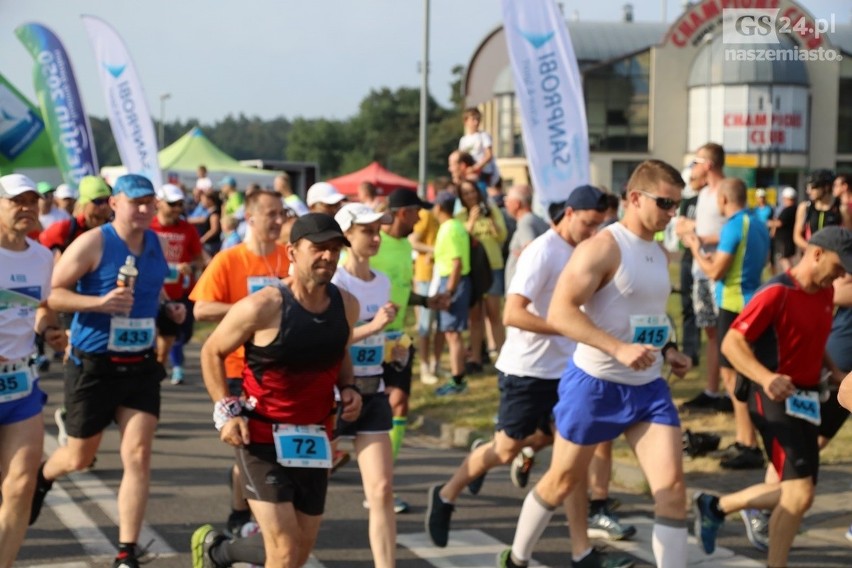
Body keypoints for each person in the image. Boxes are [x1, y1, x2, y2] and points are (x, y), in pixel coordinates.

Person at [498, 160, 693, 568]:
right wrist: (617, 349)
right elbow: (561, 311)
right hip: (595, 384)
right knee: (562, 482)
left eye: (678, 205)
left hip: (648, 389)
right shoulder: (603, 247)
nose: (671, 213)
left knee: (673, 489)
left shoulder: (658, 251)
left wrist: (669, 347)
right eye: (665, 203)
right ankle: (516, 559)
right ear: (635, 198)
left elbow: (647, 313)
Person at [427, 186, 637, 562]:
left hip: (572, 372)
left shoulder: (589, 251)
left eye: (598, 226)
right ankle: (446, 494)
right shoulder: (543, 251)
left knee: (570, 459)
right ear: (569, 213)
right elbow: (512, 314)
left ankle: (581, 551)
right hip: (527, 371)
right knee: (504, 449)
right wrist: (566, 326)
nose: (593, 233)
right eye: (588, 224)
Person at [30, 174, 186, 568]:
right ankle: (43, 477)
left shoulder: (154, 243)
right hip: (94, 363)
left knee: (138, 453)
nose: (146, 210)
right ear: (115, 204)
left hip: (140, 365)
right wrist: (99, 303)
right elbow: (52, 293)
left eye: (150, 202)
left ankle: (126, 551)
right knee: (79, 457)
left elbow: (155, 290)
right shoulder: (94, 242)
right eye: (137, 202)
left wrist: (170, 308)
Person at [191, 213, 361, 568]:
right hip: (262, 437)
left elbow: (341, 353)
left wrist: (349, 389)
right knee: (283, 550)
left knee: (297, 551)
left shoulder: (346, 305)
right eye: (319, 249)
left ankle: (217, 551)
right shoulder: (263, 305)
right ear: (292, 252)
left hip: (315, 437)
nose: (328, 257)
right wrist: (225, 411)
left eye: (335, 249)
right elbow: (212, 351)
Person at [693, 226, 851, 568]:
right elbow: (731, 343)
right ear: (816, 254)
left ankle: (716, 506)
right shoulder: (776, 292)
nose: (841, 275)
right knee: (800, 492)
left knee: (800, 494)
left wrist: (835, 373)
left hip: (806, 400)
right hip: (772, 398)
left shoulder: (824, 294)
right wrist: (766, 378)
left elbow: (815, 339)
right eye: (839, 266)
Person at [190, 190, 291, 535]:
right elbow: (201, 309)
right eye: (272, 214)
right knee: (250, 449)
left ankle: (258, 514)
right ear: (250, 218)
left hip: (281, 372)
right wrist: (249, 311)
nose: (279, 221)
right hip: (237, 369)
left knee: (273, 453)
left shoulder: (287, 258)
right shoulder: (229, 260)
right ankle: (241, 514)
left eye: (282, 213)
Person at [0, 174, 66, 568]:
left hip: (20, 386)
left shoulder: (42, 258)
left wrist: (51, 330)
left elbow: (41, 307)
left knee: (22, 486)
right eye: (15, 200)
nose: (26, 206)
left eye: (31, 200)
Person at [330, 202, 401, 567]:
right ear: (346, 236)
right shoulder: (336, 283)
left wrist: (396, 347)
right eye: (366, 231)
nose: (375, 237)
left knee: (382, 490)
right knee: (303, 490)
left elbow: (381, 339)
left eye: (378, 231)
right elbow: (330, 340)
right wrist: (374, 327)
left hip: (372, 390)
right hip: (334, 395)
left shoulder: (383, 280)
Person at [683, 178, 770, 471]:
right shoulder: (757, 221)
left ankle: (749, 444)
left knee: (734, 378)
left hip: (734, 305)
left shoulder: (733, 225)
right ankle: (745, 439)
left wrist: (695, 247)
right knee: (739, 377)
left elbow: (716, 272)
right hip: (750, 299)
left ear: (723, 200)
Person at [370, 188, 448, 509]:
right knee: (351, 409)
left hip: (398, 338)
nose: (421, 218)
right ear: (403, 212)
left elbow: (401, 290)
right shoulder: (373, 243)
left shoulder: (404, 246)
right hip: (367, 337)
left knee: (399, 404)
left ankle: (383, 483)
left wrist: (427, 301)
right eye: (417, 212)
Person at [678, 144, 729, 418]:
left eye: (696, 161)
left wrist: (698, 236)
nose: (693, 168)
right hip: (701, 270)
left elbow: (734, 230)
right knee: (711, 332)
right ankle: (712, 390)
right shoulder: (703, 193)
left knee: (725, 333)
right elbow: (684, 227)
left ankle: (731, 391)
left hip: (719, 272)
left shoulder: (724, 191)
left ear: (708, 164)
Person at [150, 183, 204, 385]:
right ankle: (154, 379)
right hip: (152, 293)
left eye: (180, 204)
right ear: (159, 203)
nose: (176, 209)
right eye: (172, 204)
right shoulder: (148, 227)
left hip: (178, 293)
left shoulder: (187, 229)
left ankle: (159, 371)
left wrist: (189, 266)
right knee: (152, 340)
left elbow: (200, 259)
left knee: (173, 342)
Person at [456, 179, 508, 373]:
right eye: (466, 193)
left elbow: (502, 236)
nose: (470, 196)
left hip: (494, 266)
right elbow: (460, 238)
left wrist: (492, 222)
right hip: (474, 269)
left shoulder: (492, 211)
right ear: (461, 197)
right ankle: (476, 358)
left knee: (495, 314)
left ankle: (503, 358)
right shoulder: (460, 216)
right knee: (475, 316)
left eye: (472, 192)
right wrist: (470, 221)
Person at [432, 191, 472, 396]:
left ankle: (458, 380)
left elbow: (457, 262)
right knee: (451, 332)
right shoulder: (455, 226)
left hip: (453, 282)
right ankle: (458, 376)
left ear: (439, 207)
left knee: (452, 333)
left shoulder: (449, 229)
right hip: (454, 281)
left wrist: (448, 291)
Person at [408, 198, 442, 384]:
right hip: (425, 275)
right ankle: (424, 367)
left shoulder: (436, 218)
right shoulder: (426, 215)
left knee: (437, 325)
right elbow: (414, 241)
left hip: (435, 274)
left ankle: (435, 365)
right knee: (425, 325)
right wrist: (437, 250)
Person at [39, 175, 113, 260]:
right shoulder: (67, 228)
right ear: (84, 203)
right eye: (98, 201)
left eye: (107, 200)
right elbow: (38, 248)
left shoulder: (114, 228)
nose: (104, 206)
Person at [503, 184, 549, 291]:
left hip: (523, 291)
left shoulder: (525, 222)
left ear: (517, 204)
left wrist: (522, 255)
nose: (506, 204)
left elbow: (531, 251)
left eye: (507, 200)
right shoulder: (535, 219)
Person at [794, 169, 842, 251]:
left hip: (833, 257)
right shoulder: (805, 207)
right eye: (807, 187)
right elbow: (797, 236)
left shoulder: (840, 208)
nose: (808, 191)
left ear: (826, 187)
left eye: (813, 187)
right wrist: (812, 249)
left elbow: (848, 236)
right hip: (811, 257)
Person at [458, 107, 500, 188]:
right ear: (466, 121)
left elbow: (488, 155)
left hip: (483, 173)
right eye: (473, 119)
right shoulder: (463, 140)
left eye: (478, 119)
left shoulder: (483, 136)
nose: (476, 122)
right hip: (469, 173)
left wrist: (475, 168)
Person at [770, 187, 799, 274]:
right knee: (787, 260)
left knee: (784, 260)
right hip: (788, 239)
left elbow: (779, 223)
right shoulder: (795, 209)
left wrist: (768, 223)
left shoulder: (788, 210)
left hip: (784, 240)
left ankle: (790, 278)